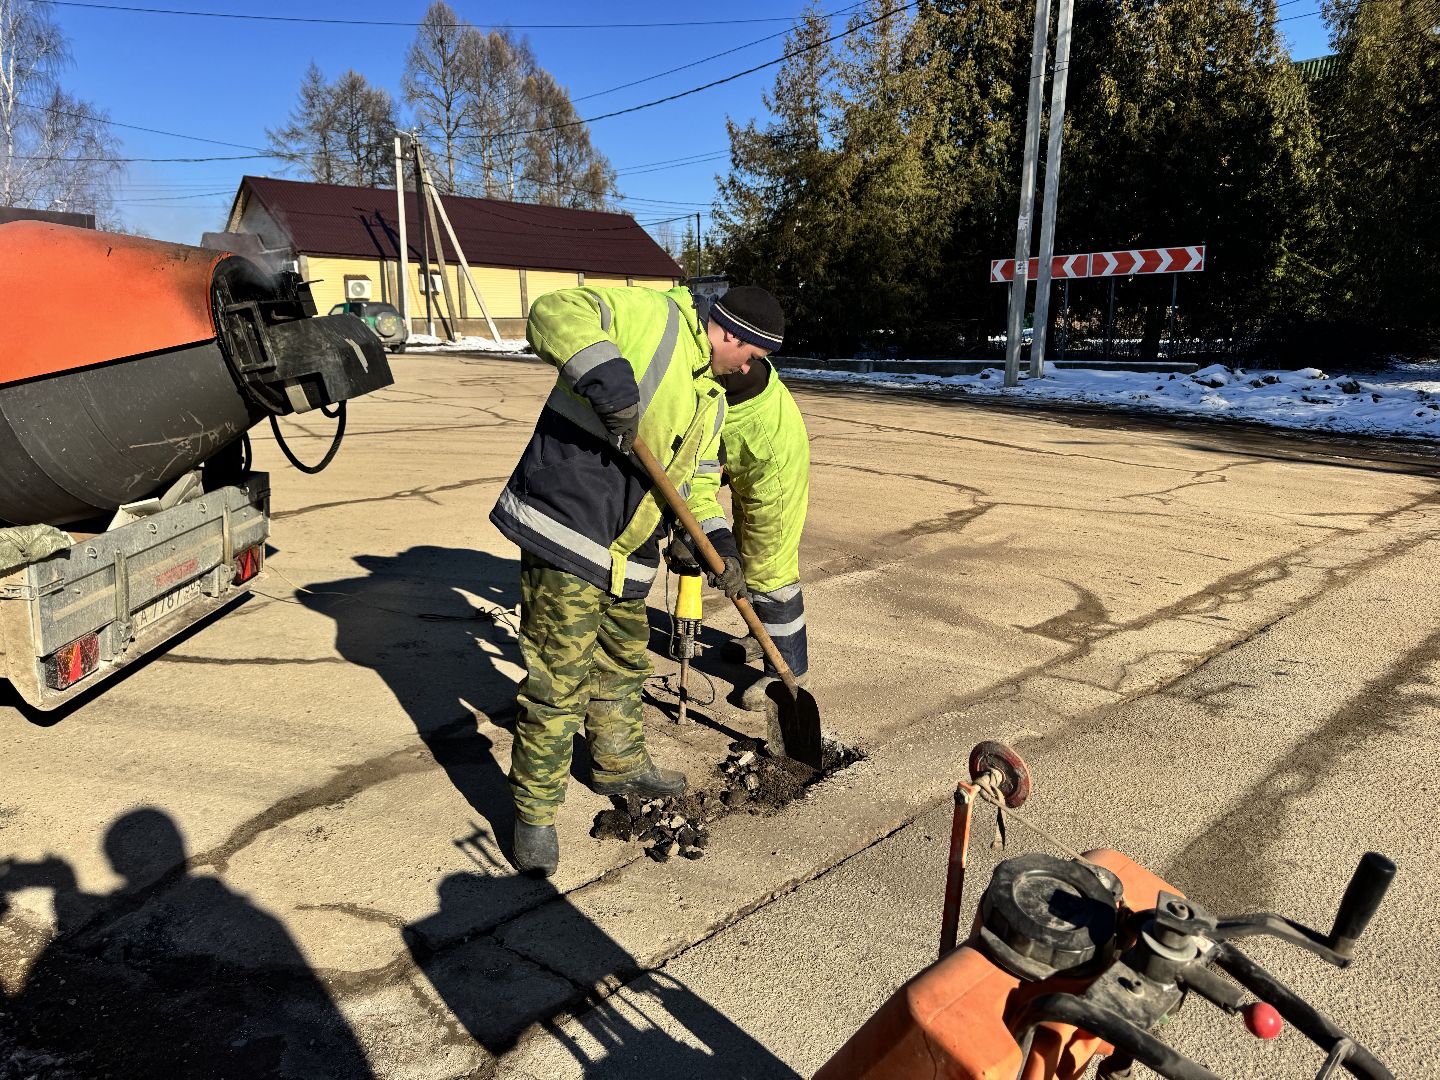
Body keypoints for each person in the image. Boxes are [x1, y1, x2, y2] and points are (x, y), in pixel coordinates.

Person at [490, 283, 786, 876]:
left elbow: (696, 485)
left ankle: (618, 763)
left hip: (628, 552)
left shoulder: (712, 396)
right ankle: (534, 813)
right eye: (751, 355)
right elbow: (552, 312)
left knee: (624, 664)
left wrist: (718, 543)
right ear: (728, 332)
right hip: (570, 526)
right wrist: (608, 375)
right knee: (558, 682)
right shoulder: (654, 318)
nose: (750, 369)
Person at [677, 351, 811, 711]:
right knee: (743, 553)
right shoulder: (707, 359)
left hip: (771, 471)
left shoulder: (721, 361)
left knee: (771, 572)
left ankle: (788, 671)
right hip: (743, 456)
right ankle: (761, 635)